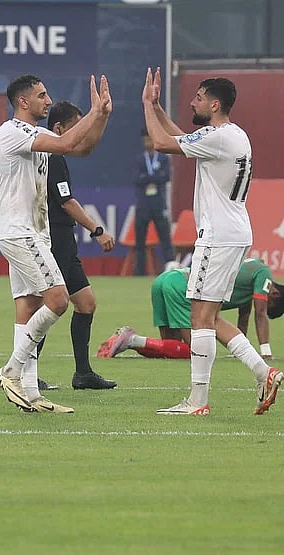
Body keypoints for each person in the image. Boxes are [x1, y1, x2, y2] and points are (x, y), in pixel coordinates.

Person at [142, 67, 281, 415]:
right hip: (233, 232)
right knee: (212, 317)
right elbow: (182, 139)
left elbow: (162, 143)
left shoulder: (219, 138)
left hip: (218, 235)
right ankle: (263, 372)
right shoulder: (232, 135)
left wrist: (146, 105)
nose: (193, 102)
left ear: (215, 105)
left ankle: (198, 401)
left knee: (200, 317)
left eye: (199, 98)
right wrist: (158, 108)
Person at [0, 74, 112, 414]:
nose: (48, 100)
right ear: (23, 101)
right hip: (21, 232)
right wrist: (93, 111)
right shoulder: (12, 132)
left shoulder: (35, 136)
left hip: (32, 232)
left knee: (28, 308)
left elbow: (79, 147)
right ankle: (11, 371)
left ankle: (31, 394)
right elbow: (67, 143)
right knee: (58, 301)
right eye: (42, 95)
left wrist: (101, 116)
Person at [42, 101, 117, 390]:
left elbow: (86, 147)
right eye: (77, 127)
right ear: (59, 129)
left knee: (86, 303)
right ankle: (24, 371)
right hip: (54, 238)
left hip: (65, 238)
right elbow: (66, 201)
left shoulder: (57, 152)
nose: (81, 132)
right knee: (48, 306)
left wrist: (102, 116)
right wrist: (97, 230)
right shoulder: (51, 156)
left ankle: (83, 374)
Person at [98, 259, 284, 359]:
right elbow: (260, 314)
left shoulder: (248, 280)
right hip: (182, 287)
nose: (261, 305)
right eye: (269, 305)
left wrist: (240, 352)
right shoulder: (263, 272)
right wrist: (265, 351)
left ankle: (128, 342)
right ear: (274, 294)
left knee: (171, 348)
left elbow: (244, 319)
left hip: (166, 278)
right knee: (194, 352)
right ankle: (131, 340)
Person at [133, 127, 177, 275]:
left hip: (159, 205)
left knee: (165, 241)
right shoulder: (140, 159)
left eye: (149, 139)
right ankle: (140, 273)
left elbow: (166, 176)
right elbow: (137, 179)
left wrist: (148, 178)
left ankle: (171, 271)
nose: (147, 143)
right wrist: (155, 177)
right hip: (143, 206)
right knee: (140, 243)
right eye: (145, 140)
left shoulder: (163, 158)